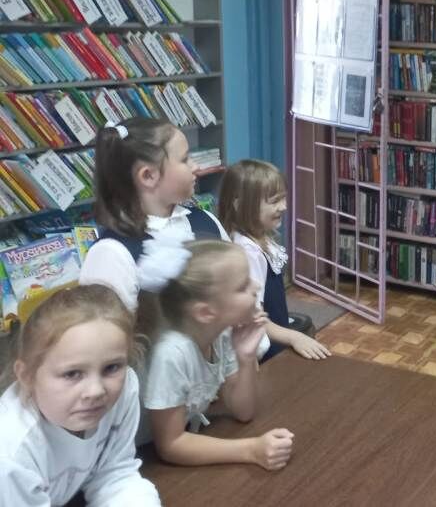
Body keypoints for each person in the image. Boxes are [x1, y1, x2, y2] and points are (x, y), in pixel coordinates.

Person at [137, 237, 294, 469]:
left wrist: (246, 358)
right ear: (205, 312)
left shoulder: (220, 334)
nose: (256, 287)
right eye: (243, 286)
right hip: (144, 459)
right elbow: (170, 445)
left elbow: (243, 411)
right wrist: (251, 450)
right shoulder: (172, 353)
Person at [0, 284, 160, 505]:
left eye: (111, 368)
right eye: (72, 373)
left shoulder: (124, 389)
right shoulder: (10, 451)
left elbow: (114, 472)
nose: (96, 391)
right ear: (27, 376)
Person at [80, 118, 228, 313]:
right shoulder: (111, 254)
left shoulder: (206, 220)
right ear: (148, 176)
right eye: (185, 159)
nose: (196, 167)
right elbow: (105, 327)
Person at [217, 160, 329, 361]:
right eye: (275, 201)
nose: (284, 206)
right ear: (240, 205)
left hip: (275, 338)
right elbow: (253, 317)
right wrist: (294, 337)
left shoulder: (260, 238)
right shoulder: (247, 252)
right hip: (266, 351)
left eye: (283, 198)